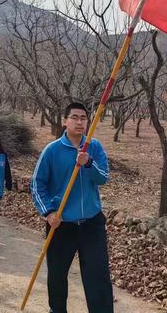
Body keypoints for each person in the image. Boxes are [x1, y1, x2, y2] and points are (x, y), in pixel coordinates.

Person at [31, 102, 112, 313]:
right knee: (57, 276)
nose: (79, 122)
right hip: (61, 224)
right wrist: (48, 213)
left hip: (92, 224)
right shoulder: (52, 150)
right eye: (74, 117)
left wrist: (88, 163)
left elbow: (103, 178)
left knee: (98, 276)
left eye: (83, 118)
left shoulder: (94, 147)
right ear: (65, 121)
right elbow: (37, 184)